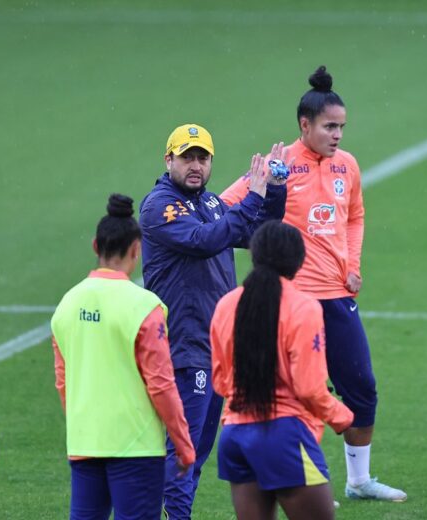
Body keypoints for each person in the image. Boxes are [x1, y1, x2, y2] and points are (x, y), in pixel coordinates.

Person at [222, 66, 407, 502]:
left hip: (338, 296)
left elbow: (356, 216)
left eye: (341, 126)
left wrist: (353, 263)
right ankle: (294, 477)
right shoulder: (279, 165)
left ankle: (359, 481)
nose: (337, 134)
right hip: (288, 301)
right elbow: (229, 204)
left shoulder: (348, 166)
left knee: (361, 386)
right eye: (329, 126)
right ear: (304, 125)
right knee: (292, 391)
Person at [140, 124, 287, 519]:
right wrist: (253, 195)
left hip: (215, 346)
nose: (195, 165)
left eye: (202, 158)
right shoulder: (160, 206)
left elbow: (261, 235)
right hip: (184, 345)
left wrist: (273, 190)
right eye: (187, 157)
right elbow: (207, 240)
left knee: (197, 449)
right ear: (168, 160)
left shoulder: (211, 205)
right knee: (184, 448)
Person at [51, 194, 196, 519]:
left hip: (85, 442)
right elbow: (161, 384)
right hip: (136, 447)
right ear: (136, 249)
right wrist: (183, 443)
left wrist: (83, 424)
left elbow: (63, 381)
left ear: (94, 246)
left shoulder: (66, 305)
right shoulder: (146, 306)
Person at [210, 221, 354, 520]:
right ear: (298, 260)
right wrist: (341, 416)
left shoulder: (226, 305)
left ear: (255, 255)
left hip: (235, 435)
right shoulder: (303, 307)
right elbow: (309, 388)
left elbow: (220, 380)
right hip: (284, 436)